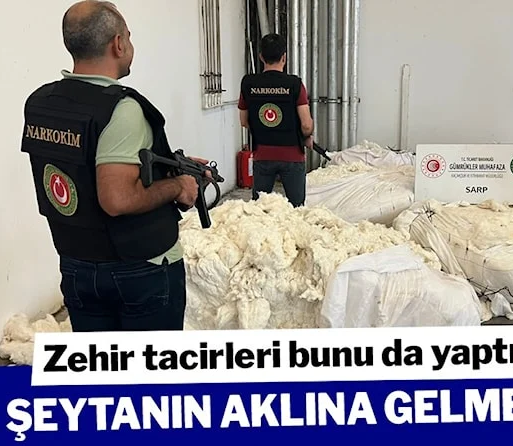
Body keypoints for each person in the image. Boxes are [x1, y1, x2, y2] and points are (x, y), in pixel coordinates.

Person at [20, 0, 201, 332]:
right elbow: (116, 199)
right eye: (128, 37)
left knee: (101, 363)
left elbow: (84, 164)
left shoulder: (42, 103)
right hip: (138, 269)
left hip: (77, 266)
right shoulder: (122, 109)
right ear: (118, 44)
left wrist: (171, 166)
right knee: (152, 365)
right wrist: (179, 186)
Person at [238, 33, 314, 207]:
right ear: (284, 57)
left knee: (259, 209)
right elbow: (306, 124)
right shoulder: (295, 84)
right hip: (292, 156)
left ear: (261, 57)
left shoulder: (248, 83)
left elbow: (244, 121)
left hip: (262, 154)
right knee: (296, 208)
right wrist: (307, 135)